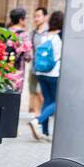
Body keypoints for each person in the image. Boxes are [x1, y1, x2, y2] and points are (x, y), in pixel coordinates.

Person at [30, 9, 62, 141]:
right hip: (54, 73)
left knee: (47, 100)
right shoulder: (60, 36)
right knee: (57, 102)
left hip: (40, 72)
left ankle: (45, 132)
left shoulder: (45, 35)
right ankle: (38, 120)